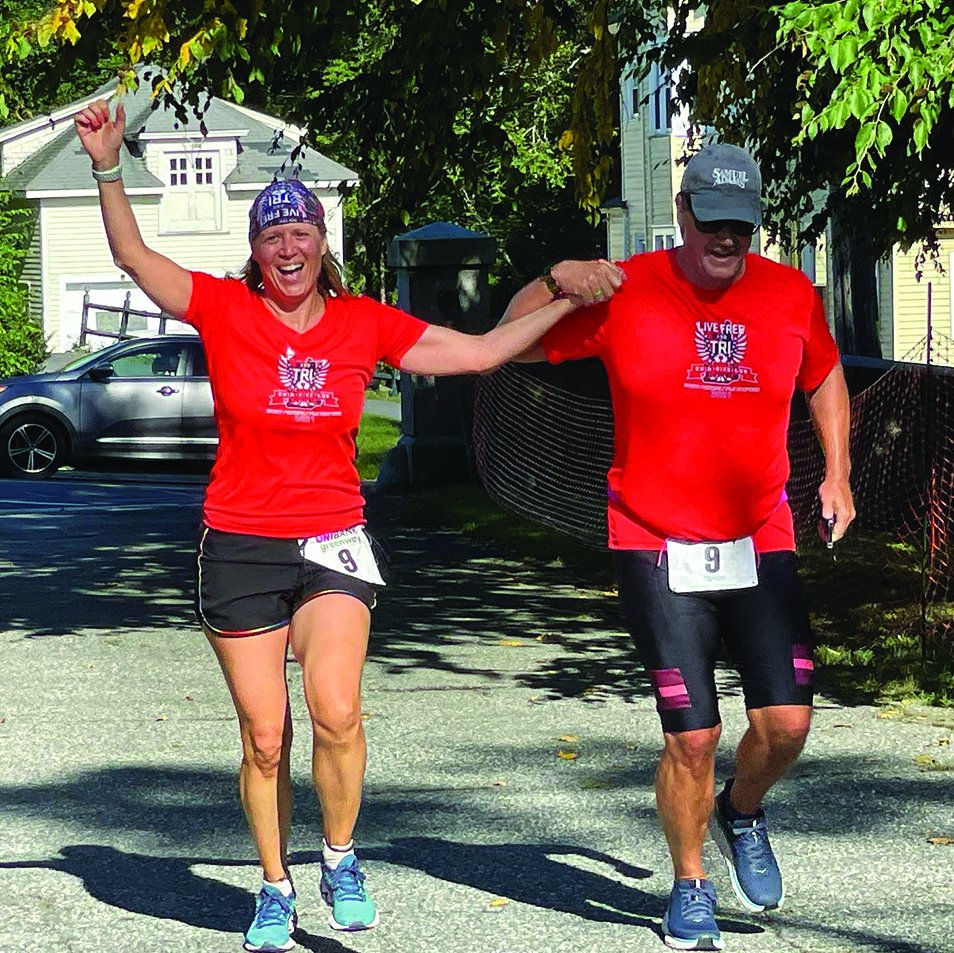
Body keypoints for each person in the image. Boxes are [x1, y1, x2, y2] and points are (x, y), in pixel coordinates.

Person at [74, 98, 582, 953]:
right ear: (255, 252)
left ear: (321, 243)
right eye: (271, 237)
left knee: (338, 711)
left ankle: (340, 856)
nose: (288, 248)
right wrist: (107, 164)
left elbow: (482, 352)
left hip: (332, 538)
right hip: (239, 540)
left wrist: (567, 297)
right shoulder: (225, 312)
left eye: (300, 232)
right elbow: (132, 256)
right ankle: (274, 886)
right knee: (265, 735)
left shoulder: (363, 323)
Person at [500, 143, 855, 951]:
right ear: (684, 212)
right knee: (691, 733)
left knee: (788, 723)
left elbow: (825, 377)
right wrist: (558, 280)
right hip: (653, 537)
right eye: (714, 222)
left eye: (743, 225)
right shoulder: (625, 290)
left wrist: (837, 473)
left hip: (758, 532)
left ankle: (741, 811)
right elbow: (513, 340)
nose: (728, 239)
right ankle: (690, 880)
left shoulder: (790, 292)